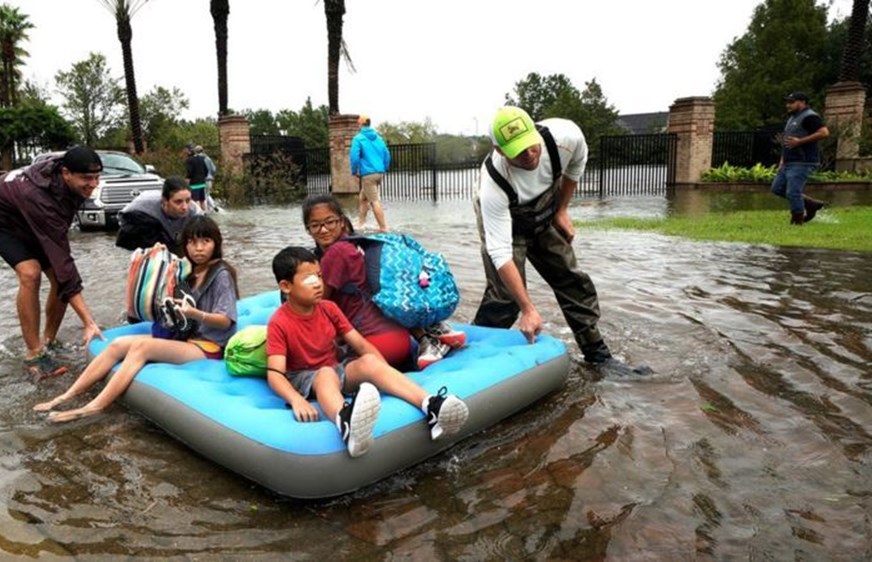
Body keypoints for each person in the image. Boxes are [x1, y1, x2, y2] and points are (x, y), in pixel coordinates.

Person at [474, 106, 649, 376]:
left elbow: (577, 164)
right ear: (500, 151)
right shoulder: (493, 184)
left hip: (545, 206)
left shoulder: (565, 137)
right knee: (505, 296)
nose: (529, 154)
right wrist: (528, 309)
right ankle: (476, 357)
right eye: (518, 151)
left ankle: (598, 356)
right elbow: (500, 252)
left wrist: (561, 209)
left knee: (572, 279)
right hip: (508, 216)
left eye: (531, 145)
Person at [265, 246, 468, 458]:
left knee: (369, 360)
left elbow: (360, 345)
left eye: (319, 276)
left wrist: (383, 372)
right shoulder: (279, 322)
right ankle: (346, 423)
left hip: (334, 370)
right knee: (325, 373)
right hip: (304, 378)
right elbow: (275, 374)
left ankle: (432, 406)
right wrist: (296, 400)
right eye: (308, 279)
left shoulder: (329, 308)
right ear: (286, 286)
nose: (318, 284)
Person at [34, 215, 239, 422]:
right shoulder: (189, 270)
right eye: (192, 242)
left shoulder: (221, 274)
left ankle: (94, 407)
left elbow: (226, 320)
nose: (199, 248)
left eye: (206, 241)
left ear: (216, 243)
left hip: (208, 347)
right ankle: (67, 395)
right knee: (118, 345)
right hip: (186, 337)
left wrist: (195, 314)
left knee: (142, 347)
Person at [0, 146, 106, 379]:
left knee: (58, 277)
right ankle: (34, 353)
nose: (93, 183)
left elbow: (62, 267)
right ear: (66, 173)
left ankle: (49, 341)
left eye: (97, 177)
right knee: (30, 273)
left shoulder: (64, 178)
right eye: (87, 178)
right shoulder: (39, 196)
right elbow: (64, 261)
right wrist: (88, 321)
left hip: (30, 217)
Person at [303, 194, 465, 370]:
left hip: (376, 346)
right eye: (316, 225)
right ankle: (429, 336)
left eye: (330, 222)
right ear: (308, 229)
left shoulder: (335, 254)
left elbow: (317, 304)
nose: (324, 230)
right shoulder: (359, 243)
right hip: (399, 336)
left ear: (341, 221)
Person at [772, 91, 830, 225]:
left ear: (802, 102)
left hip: (803, 161)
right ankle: (811, 204)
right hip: (788, 161)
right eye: (787, 102)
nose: (788, 105)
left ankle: (797, 221)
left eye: (791, 102)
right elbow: (787, 142)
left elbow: (824, 133)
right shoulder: (792, 118)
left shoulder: (810, 117)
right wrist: (782, 160)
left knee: (793, 192)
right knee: (777, 188)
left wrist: (800, 141)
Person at [116, 175, 202, 253]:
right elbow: (123, 217)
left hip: (175, 237)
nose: (185, 207)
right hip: (149, 226)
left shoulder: (195, 212)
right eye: (178, 202)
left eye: (188, 200)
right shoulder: (144, 203)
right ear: (165, 201)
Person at [350, 115, 391, 232]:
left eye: (358, 122)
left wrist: (354, 171)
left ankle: (383, 228)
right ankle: (361, 224)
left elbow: (354, 157)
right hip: (379, 173)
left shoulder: (358, 138)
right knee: (363, 198)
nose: (357, 124)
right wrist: (384, 168)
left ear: (361, 124)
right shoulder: (379, 138)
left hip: (368, 174)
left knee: (374, 201)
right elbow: (387, 155)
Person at [185, 144, 216, 212]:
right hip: (204, 181)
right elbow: (211, 169)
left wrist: (187, 182)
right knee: (204, 197)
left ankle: (201, 213)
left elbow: (189, 173)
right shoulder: (205, 158)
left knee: (196, 199)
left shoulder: (190, 160)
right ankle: (208, 210)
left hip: (195, 182)